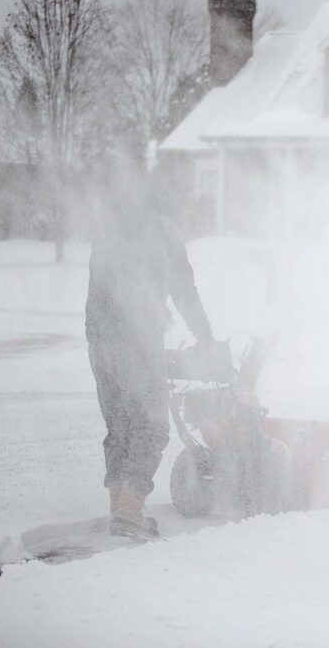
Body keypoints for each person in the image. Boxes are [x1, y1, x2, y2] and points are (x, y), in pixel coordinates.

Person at [85, 171, 214, 541]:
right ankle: (129, 509)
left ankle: (120, 505)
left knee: (121, 426)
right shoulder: (165, 233)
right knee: (152, 426)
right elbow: (184, 293)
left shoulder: (108, 231)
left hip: (98, 341)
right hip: (136, 341)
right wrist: (205, 337)